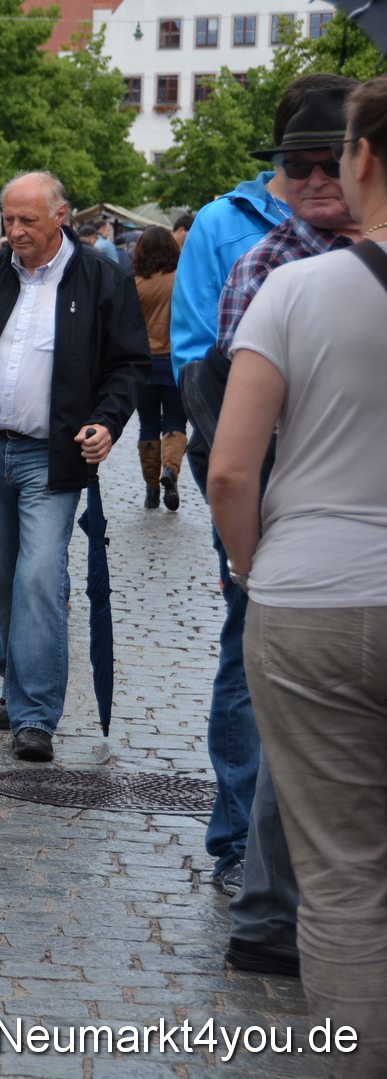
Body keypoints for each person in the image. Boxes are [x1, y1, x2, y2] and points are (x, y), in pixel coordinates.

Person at [207, 73, 387, 1075]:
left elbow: (231, 466)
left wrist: (255, 567)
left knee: (345, 878)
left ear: (361, 159)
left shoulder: (292, 286)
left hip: (315, 595)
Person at [169, 71, 353, 900]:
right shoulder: (240, 240)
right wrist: (237, 516)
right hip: (263, 486)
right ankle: (240, 836)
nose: (314, 179)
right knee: (251, 654)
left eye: (332, 160)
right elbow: (200, 365)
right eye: (299, 163)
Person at [0, 171, 149, 760]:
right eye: (8, 219)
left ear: (62, 216)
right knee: (0, 577)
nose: (15, 231)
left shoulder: (102, 277)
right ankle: (16, 684)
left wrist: (107, 422)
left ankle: (35, 714)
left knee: (39, 576)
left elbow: (129, 364)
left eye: (27, 220)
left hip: (52, 455)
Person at [127, 227, 187, 510]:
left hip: (144, 363)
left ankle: (151, 489)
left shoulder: (136, 285)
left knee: (148, 424)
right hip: (176, 361)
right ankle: (170, 470)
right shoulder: (183, 281)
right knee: (175, 422)